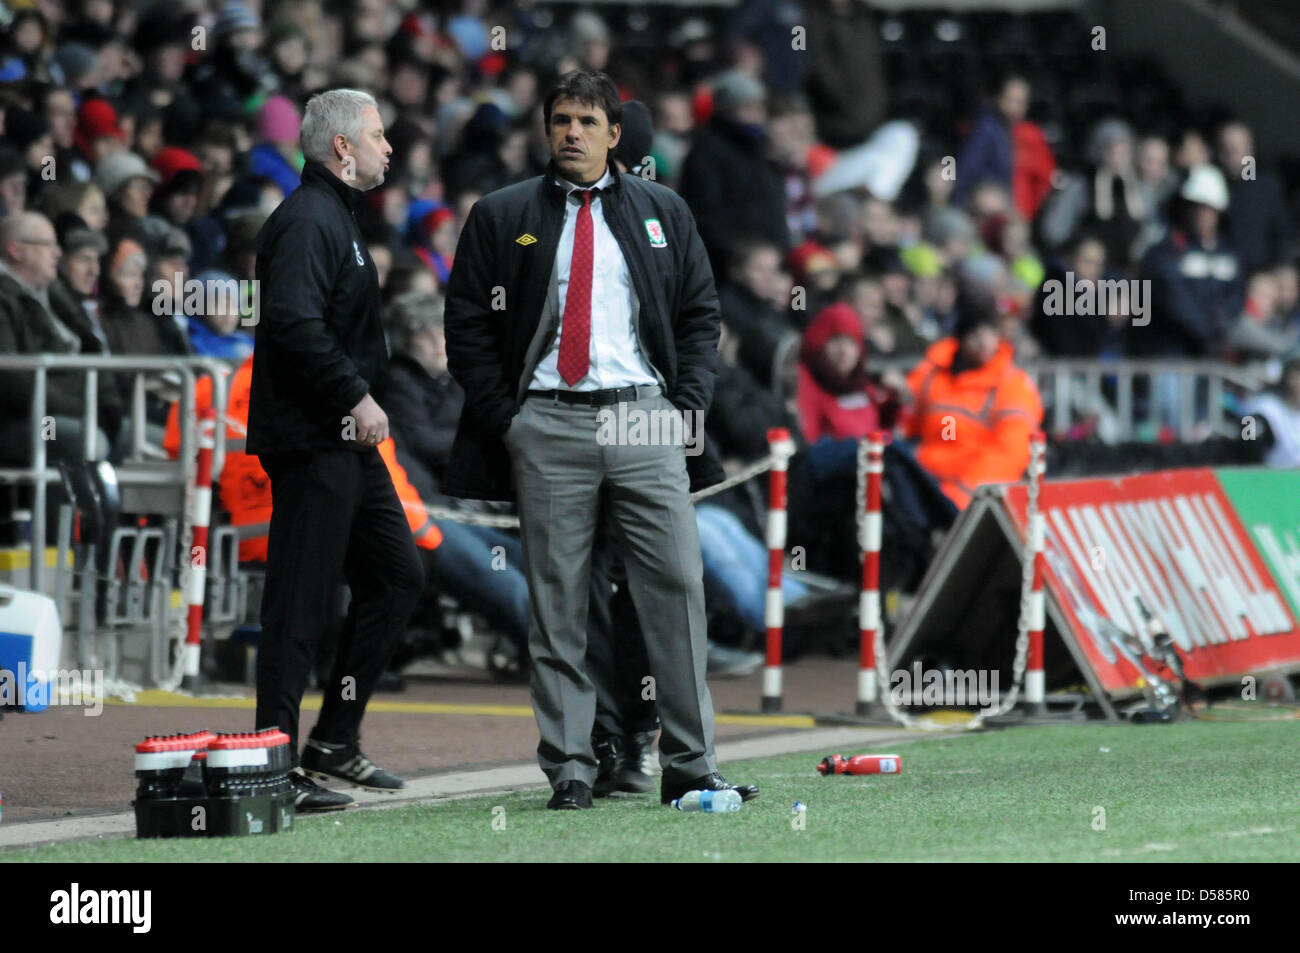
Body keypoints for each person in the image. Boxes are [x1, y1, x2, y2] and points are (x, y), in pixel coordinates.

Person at [443, 69, 758, 810]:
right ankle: (572, 767)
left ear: (616, 135)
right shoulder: (502, 213)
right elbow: (468, 325)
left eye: (587, 121)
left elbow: (699, 316)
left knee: (678, 589)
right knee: (557, 603)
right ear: (546, 130)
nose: (572, 133)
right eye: (561, 121)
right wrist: (509, 420)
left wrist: (685, 408)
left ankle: (690, 763)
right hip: (548, 418)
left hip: (645, 415)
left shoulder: (663, 210)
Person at [247, 88, 424, 813]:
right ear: (341, 148)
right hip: (316, 438)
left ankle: (332, 741)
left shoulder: (336, 217)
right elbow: (291, 320)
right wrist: (355, 393)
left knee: (397, 575)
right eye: (378, 135)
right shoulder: (307, 219)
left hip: (344, 442)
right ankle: (271, 760)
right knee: (299, 601)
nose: (390, 147)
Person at [905, 282, 1044, 510]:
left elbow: (1010, 454)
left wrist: (959, 498)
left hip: (971, 498)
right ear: (961, 337)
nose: (983, 342)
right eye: (975, 333)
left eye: (989, 333)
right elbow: (908, 425)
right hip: (927, 483)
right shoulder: (932, 375)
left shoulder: (1012, 384)